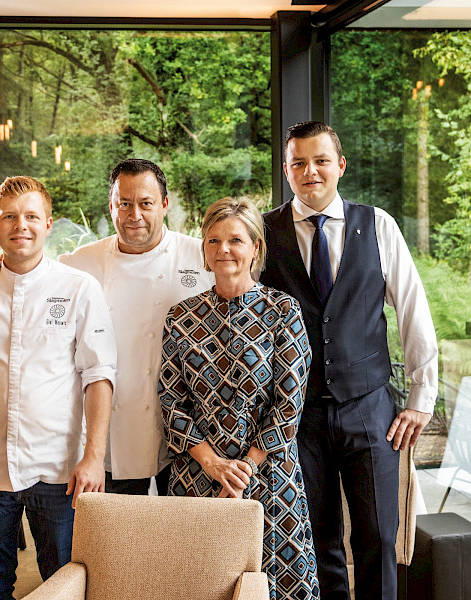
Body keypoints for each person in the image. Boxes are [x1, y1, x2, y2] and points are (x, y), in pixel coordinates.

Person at [259, 121, 438, 600]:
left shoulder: (378, 224)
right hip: (297, 414)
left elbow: (412, 307)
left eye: (320, 160)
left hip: (369, 407)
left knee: (380, 535)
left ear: (340, 165)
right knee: (318, 539)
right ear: (286, 170)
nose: (310, 171)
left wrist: (422, 398)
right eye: (298, 162)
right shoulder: (263, 231)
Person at [0, 176, 116, 600]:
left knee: (66, 584)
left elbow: (98, 376)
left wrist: (94, 457)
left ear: (49, 224)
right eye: (10, 216)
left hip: (61, 471)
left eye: (32, 216)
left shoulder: (78, 289)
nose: (21, 225)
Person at [0, 159, 213, 495]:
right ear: (111, 206)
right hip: (112, 435)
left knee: (180, 541)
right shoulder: (79, 263)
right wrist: (1, 266)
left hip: (186, 431)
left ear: (164, 205)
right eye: (124, 204)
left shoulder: (202, 257)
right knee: (116, 543)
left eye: (146, 203)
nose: (135, 215)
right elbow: (31, 277)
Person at [159, 197, 319, 600]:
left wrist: (245, 467)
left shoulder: (283, 311)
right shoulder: (181, 317)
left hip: (269, 478)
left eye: (235, 240)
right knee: (198, 584)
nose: (223, 250)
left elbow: (289, 401)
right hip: (198, 478)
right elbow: (171, 397)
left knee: (278, 587)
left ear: (255, 248)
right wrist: (213, 464)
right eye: (213, 241)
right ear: (204, 251)